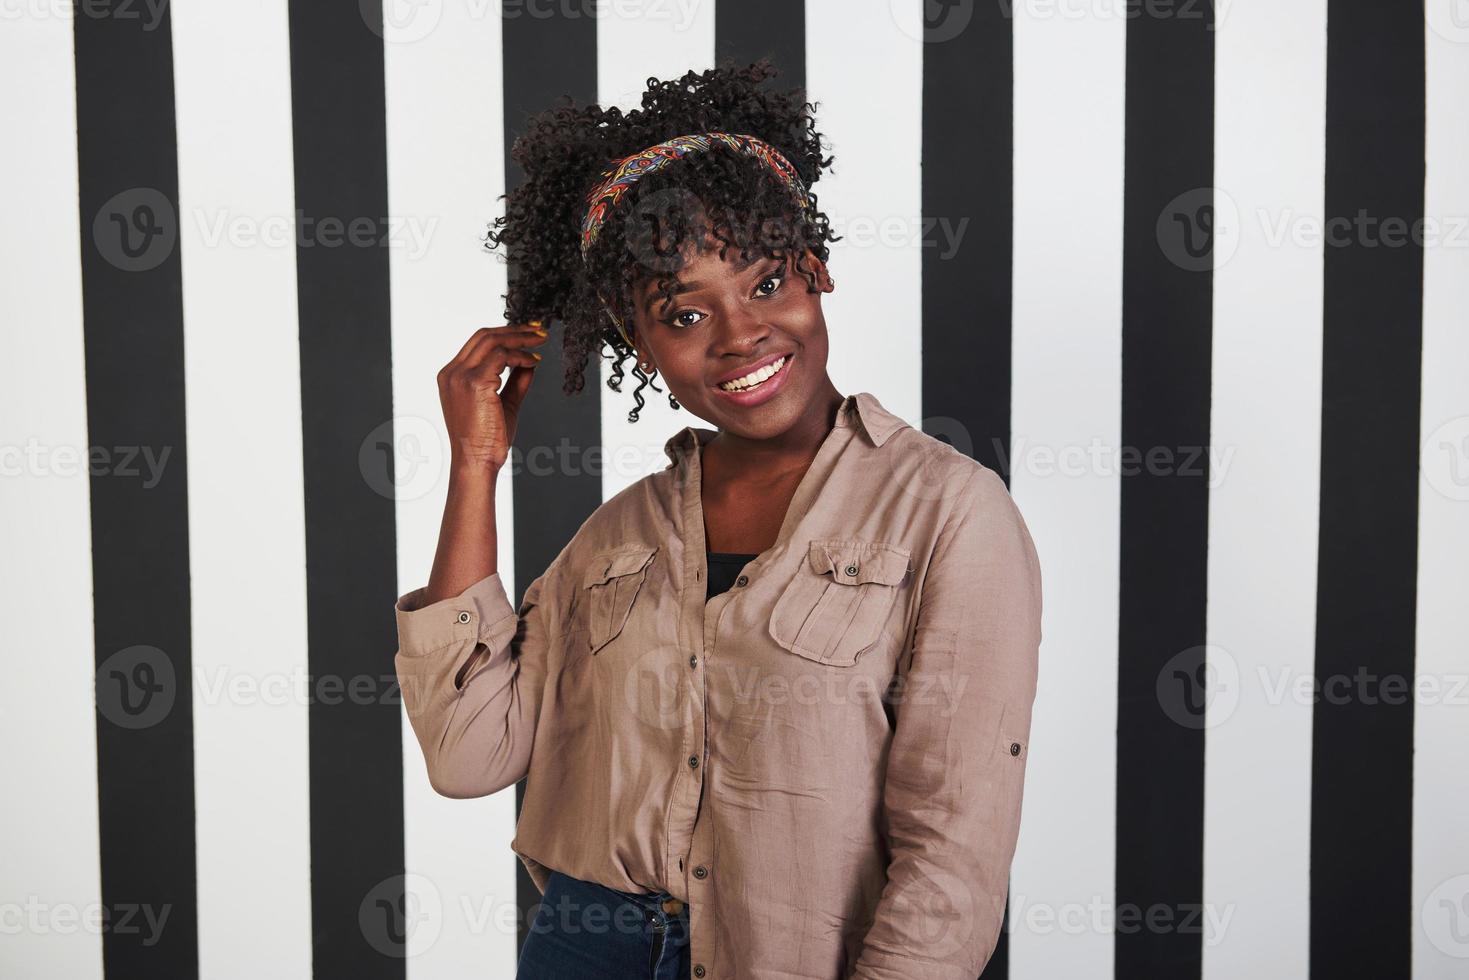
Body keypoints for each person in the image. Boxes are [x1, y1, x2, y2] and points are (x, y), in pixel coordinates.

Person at [393, 60, 1042, 980]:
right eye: (684, 312)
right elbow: (467, 754)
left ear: (814, 271)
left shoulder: (949, 513)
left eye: (767, 282)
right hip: (585, 945)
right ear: (636, 335)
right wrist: (474, 467)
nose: (739, 335)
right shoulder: (614, 539)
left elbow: (954, 844)